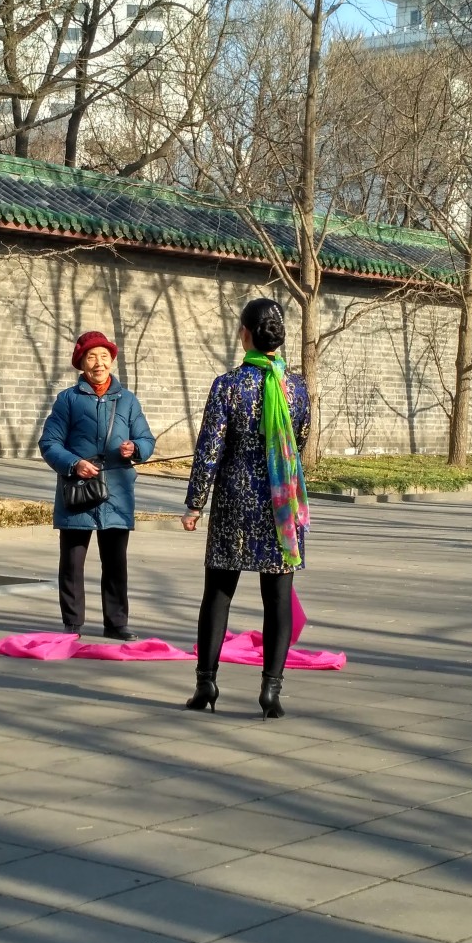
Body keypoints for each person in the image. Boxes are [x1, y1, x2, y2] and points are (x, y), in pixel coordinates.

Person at [181, 298, 310, 719]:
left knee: (218, 594)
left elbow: (209, 450)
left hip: (235, 501)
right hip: (280, 506)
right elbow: (300, 442)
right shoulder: (296, 388)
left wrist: (195, 503)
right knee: (278, 598)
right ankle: (271, 690)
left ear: (247, 333)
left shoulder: (228, 385)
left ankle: (206, 683)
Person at [39, 331, 156, 640]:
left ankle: (116, 623)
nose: (99, 363)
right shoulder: (68, 399)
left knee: (116, 562)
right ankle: (72, 623)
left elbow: (147, 438)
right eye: (91, 357)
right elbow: (49, 443)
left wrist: (137, 448)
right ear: (81, 363)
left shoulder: (128, 400)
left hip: (116, 490)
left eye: (104, 356)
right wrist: (74, 463)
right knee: (72, 561)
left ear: (112, 360)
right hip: (79, 488)